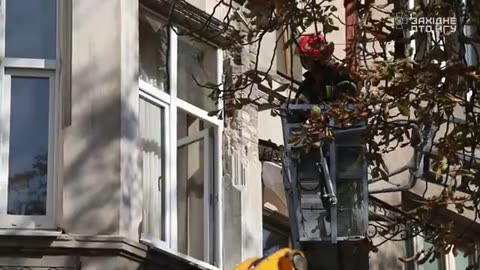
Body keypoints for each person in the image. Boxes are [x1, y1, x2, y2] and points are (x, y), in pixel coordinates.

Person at [294, 34, 357, 104]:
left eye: (306, 58)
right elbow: (299, 105)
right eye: (303, 58)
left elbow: (350, 103)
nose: (304, 62)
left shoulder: (340, 75)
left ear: (318, 59)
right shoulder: (308, 84)